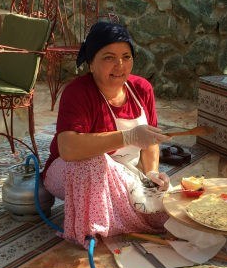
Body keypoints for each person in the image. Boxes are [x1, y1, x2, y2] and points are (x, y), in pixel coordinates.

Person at [42, 21, 171, 247]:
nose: (119, 65)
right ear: (91, 63)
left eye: (126, 56)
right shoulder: (77, 93)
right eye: (109, 57)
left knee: (169, 211)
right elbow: (68, 148)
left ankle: (120, 217)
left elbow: (150, 141)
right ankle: (99, 227)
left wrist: (151, 174)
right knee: (93, 164)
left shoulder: (142, 89)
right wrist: (128, 137)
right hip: (69, 171)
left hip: (122, 175)